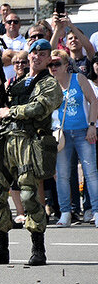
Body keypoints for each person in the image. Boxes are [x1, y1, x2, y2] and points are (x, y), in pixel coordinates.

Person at [0, 39, 63, 266]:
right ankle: (1, 249)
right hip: (8, 142)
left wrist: (11, 110)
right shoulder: (17, 82)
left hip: (29, 142)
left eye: (42, 54)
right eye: (34, 53)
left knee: (28, 195)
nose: (36, 57)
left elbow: (40, 107)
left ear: (48, 59)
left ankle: (38, 249)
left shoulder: (49, 83)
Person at [48, 50, 98, 228]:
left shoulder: (78, 79)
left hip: (83, 131)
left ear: (66, 65)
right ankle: (66, 212)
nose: (53, 67)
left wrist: (92, 125)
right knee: (62, 175)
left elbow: (93, 100)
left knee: (90, 172)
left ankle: (96, 211)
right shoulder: (50, 84)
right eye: (50, 64)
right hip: (61, 134)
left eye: (57, 64)